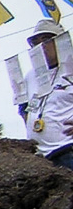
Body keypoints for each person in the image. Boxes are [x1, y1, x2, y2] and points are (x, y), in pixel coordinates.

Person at [20, 18, 73, 170]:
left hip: (67, 149)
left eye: (47, 39)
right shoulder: (31, 76)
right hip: (40, 157)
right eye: (35, 42)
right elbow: (23, 109)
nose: (41, 46)